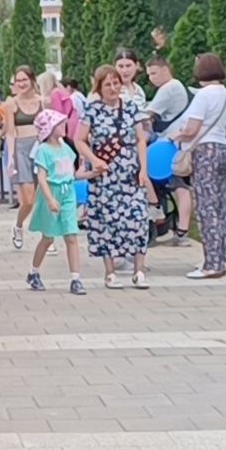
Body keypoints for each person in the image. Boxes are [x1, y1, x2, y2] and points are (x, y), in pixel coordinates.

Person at [76, 67, 153, 289]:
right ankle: (110, 272)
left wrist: (142, 169)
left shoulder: (131, 109)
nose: (112, 88)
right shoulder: (92, 110)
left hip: (129, 172)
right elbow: (79, 139)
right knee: (106, 221)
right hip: (105, 175)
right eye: (107, 84)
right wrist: (94, 159)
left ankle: (139, 269)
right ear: (99, 87)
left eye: (115, 83)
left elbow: (140, 139)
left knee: (138, 218)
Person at [173, 53, 226, 280]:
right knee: (219, 205)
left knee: (205, 206)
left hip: (204, 151)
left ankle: (211, 263)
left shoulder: (203, 96)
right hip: (222, 149)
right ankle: (220, 257)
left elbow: (192, 128)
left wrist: (177, 136)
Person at [24, 109, 86, 295]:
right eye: (59, 124)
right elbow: (42, 178)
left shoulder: (66, 148)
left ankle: (76, 278)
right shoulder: (43, 150)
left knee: (71, 235)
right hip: (51, 192)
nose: (63, 127)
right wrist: (50, 199)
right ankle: (34, 272)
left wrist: (90, 174)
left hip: (68, 192)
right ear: (50, 129)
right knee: (48, 236)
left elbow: (72, 174)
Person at [144, 57, 193, 242]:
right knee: (179, 186)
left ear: (166, 70)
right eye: (149, 75)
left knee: (179, 185)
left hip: (170, 146)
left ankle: (177, 227)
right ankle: (181, 229)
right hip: (175, 144)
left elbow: (147, 114)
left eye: (154, 73)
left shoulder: (169, 88)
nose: (151, 78)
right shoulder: (177, 86)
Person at [4, 68, 46, 249]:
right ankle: (19, 225)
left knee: (44, 195)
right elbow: (10, 132)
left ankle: (47, 235)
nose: (20, 84)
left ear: (32, 80)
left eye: (24, 80)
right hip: (21, 149)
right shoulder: (11, 104)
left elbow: (48, 127)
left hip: (39, 149)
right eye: (17, 80)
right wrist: (11, 157)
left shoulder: (42, 102)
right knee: (28, 200)